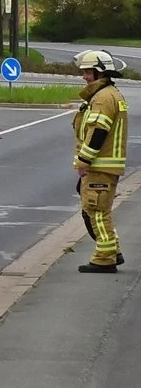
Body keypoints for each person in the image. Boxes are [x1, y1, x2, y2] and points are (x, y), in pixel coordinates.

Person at [72, 49, 129, 273]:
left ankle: (105, 259)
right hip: (105, 165)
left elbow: (98, 132)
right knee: (96, 210)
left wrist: (84, 160)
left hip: (100, 165)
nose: (84, 76)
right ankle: (113, 251)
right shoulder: (108, 94)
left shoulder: (103, 98)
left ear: (99, 73)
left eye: (88, 72)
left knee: (97, 212)